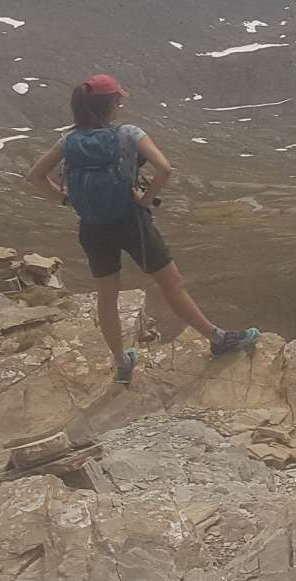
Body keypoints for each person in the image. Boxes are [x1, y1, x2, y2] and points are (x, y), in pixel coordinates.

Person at [26, 72, 256, 385]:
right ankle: (217, 338)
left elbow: (35, 176)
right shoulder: (128, 134)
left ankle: (122, 363)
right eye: (118, 99)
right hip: (131, 223)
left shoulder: (69, 141)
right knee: (172, 284)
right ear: (111, 104)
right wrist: (145, 200)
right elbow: (165, 168)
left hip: (92, 227)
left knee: (107, 296)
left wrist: (68, 201)